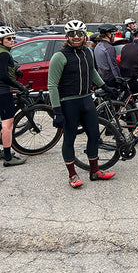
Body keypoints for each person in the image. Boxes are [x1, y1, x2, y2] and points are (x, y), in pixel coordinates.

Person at [48, 20, 117, 188]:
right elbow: (52, 85)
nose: (76, 37)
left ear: (85, 35)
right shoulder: (60, 56)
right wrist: (57, 111)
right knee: (69, 139)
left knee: (94, 136)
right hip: (68, 103)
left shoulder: (88, 52)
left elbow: (92, 71)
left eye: (79, 34)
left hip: (87, 100)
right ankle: (72, 175)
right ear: (67, 36)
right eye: (72, 34)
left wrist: (104, 86)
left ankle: (95, 171)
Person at [0, 26, 27, 167]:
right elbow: (3, 76)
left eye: (13, 38)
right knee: (7, 125)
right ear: (0, 40)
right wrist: (18, 85)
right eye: (8, 39)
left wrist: (14, 70)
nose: (12, 40)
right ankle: (8, 157)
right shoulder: (4, 54)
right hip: (3, 92)